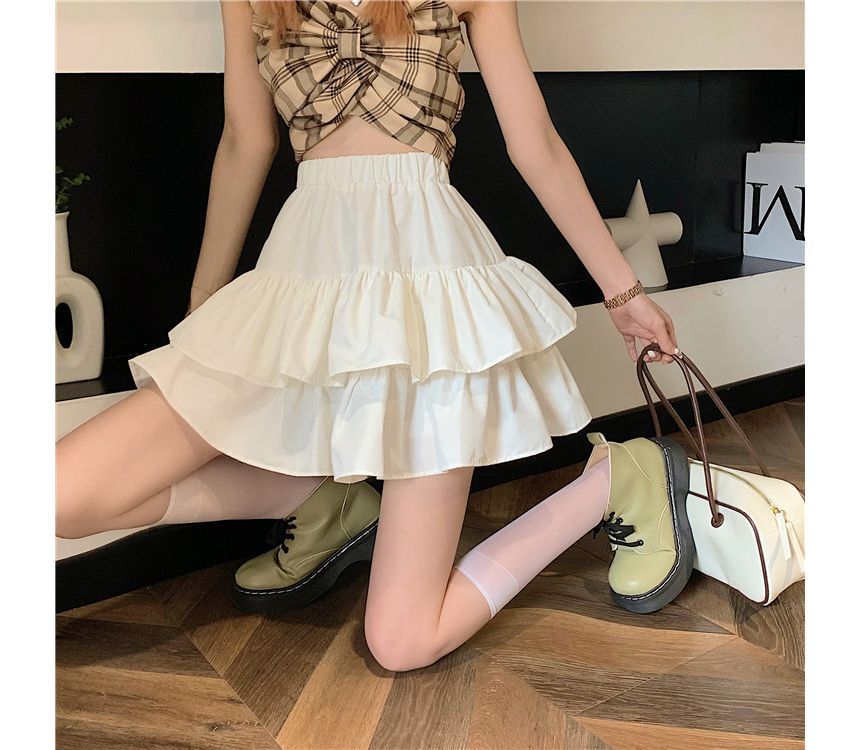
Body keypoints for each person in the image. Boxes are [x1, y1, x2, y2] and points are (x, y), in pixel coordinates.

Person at [56, 0, 690, 672]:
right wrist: (205, 309)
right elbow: (246, 140)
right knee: (61, 496)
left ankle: (618, 477)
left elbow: (535, 143)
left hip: (429, 290)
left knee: (402, 642)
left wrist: (624, 295)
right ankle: (327, 502)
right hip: (302, 276)